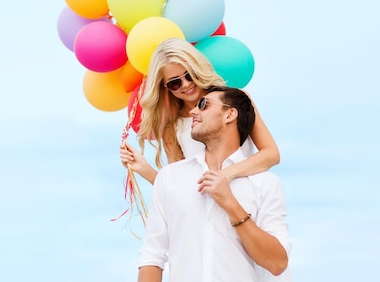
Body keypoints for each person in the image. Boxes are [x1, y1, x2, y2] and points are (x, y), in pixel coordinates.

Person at [137, 86, 291, 282]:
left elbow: (277, 263)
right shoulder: (169, 178)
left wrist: (230, 204)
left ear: (230, 115)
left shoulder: (265, 183)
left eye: (203, 105)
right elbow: (152, 255)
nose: (193, 111)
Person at [120, 37, 279, 185]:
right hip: (205, 211)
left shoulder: (234, 100)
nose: (186, 84)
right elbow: (178, 187)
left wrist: (226, 175)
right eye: (175, 83)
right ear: (165, 87)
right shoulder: (172, 127)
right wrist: (144, 169)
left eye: (189, 75)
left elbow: (271, 154)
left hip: (247, 201)